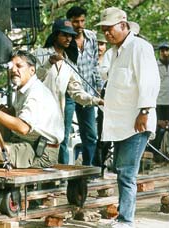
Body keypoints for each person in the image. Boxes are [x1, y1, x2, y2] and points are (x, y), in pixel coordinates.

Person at [97, 7, 160, 227]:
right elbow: (106, 78)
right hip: (119, 122)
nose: (106, 34)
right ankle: (124, 216)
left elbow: (149, 81)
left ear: (124, 26)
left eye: (110, 29)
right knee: (121, 170)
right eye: (103, 30)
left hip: (136, 122)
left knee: (126, 172)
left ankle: (126, 220)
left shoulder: (139, 47)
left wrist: (144, 111)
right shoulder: (114, 52)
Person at [35, 19, 103, 164]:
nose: (68, 39)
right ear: (55, 35)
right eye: (64, 35)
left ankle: (58, 180)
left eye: (70, 36)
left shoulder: (69, 62)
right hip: (38, 112)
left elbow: (76, 92)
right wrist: (48, 63)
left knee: (60, 144)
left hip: (57, 114)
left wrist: (96, 100)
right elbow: (33, 79)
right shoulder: (40, 54)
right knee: (38, 148)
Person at [0, 50, 64, 168]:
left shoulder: (36, 93)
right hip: (27, 143)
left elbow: (23, 128)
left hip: (40, 152)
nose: (14, 70)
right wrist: (5, 112)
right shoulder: (23, 89)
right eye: (11, 66)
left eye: (19, 66)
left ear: (32, 70)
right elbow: (18, 115)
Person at [62, 6, 102, 166]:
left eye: (82, 21)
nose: (79, 24)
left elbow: (94, 65)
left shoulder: (91, 37)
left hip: (87, 90)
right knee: (63, 135)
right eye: (75, 21)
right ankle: (62, 171)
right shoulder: (65, 38)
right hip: (68, 92)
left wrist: (98, 87)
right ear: (69, 22)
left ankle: (88, 169)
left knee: (90, 134)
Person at [150, 41, 169, 156]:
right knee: (158, 129)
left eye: (167, 50)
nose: (165, 53)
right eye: (162, 51)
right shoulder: (154, 65)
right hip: (158, 103)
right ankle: (154, 154)